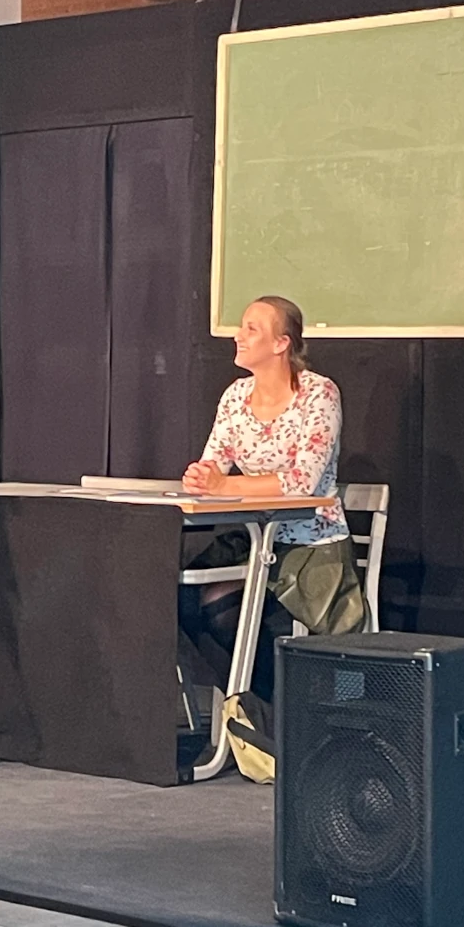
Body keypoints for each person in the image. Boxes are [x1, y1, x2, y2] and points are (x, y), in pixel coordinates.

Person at [180, 295, 365, 700]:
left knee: (223, 605)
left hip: (310, 543)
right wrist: (201, 478)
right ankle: (269, 701)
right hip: (252, 538)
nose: (238, 336)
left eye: (252, 329)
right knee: (186, 598)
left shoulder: (318, 393)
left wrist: (225, 486)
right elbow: (213, 466)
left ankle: (289, 703)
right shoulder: (235, 396)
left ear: (281, 343)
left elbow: (303, 482)